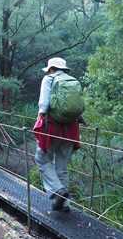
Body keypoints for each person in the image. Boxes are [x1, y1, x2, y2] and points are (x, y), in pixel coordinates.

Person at [33, 57, 84, 212]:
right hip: (71, 127)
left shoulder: (49, 79)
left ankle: (57, 191)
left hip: (53, 126)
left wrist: (39, 118)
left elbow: (43, 104)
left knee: (41, 159)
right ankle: (65, 204)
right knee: (62, 167)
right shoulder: (73, 80)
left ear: (51, 68)